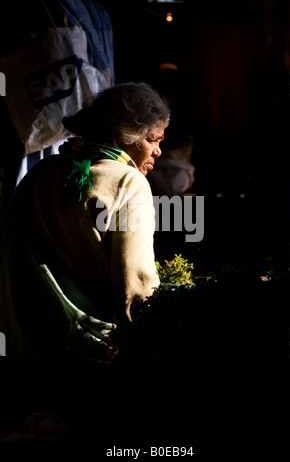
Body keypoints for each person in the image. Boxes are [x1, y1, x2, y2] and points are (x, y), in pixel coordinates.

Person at [0, 81, 170, 365]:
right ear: (123, 135)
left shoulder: (42, 171)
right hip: (88, 349)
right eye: (153, 140)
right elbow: (137, 291)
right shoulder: (129, 182)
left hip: (23, 343)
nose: (158, 151)